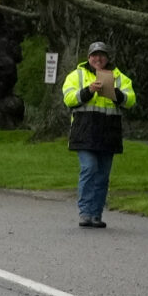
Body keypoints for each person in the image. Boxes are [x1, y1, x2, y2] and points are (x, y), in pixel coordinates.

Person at [60, 40, 135, 229]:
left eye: (101, 55)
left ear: (107, 58)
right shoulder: (76, 76)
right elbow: (69, 99)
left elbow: (131, 101)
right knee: (89, 168)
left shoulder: (120, 77)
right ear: (88, 58)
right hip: (84, 132)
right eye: (94, 55)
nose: (98, 58)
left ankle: (96, 214)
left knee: (102, 176)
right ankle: (85, 212)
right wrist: (89, 91)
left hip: (108, 133)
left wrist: (113, 92)